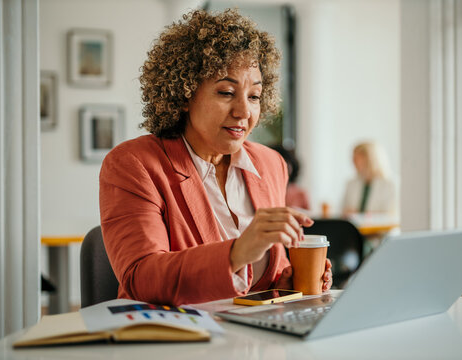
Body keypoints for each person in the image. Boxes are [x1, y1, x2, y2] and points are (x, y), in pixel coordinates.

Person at [99, 9, 332, 306]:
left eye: (254, 96)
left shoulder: (271, 164)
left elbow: (261, 281)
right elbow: (141, 279)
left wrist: (286, 281)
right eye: (226, 92)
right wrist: (237, 252)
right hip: (176, 341)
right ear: (184, 93)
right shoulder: (134, 164)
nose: (244, 112)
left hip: (253, 342)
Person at [342, 142, 398, 218]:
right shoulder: (351, 183)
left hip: (380, 229)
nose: (353, 161)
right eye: (353, 157)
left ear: (370, 159)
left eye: (358, 158)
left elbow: (390, 214)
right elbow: (343, 209)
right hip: (354, 228)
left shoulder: (390, 184)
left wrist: (366, 215)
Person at [270, 145, 311, 211]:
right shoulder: (266, 191)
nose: (282, 168)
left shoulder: (300, 193)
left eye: (286, 164)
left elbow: (308, 217)